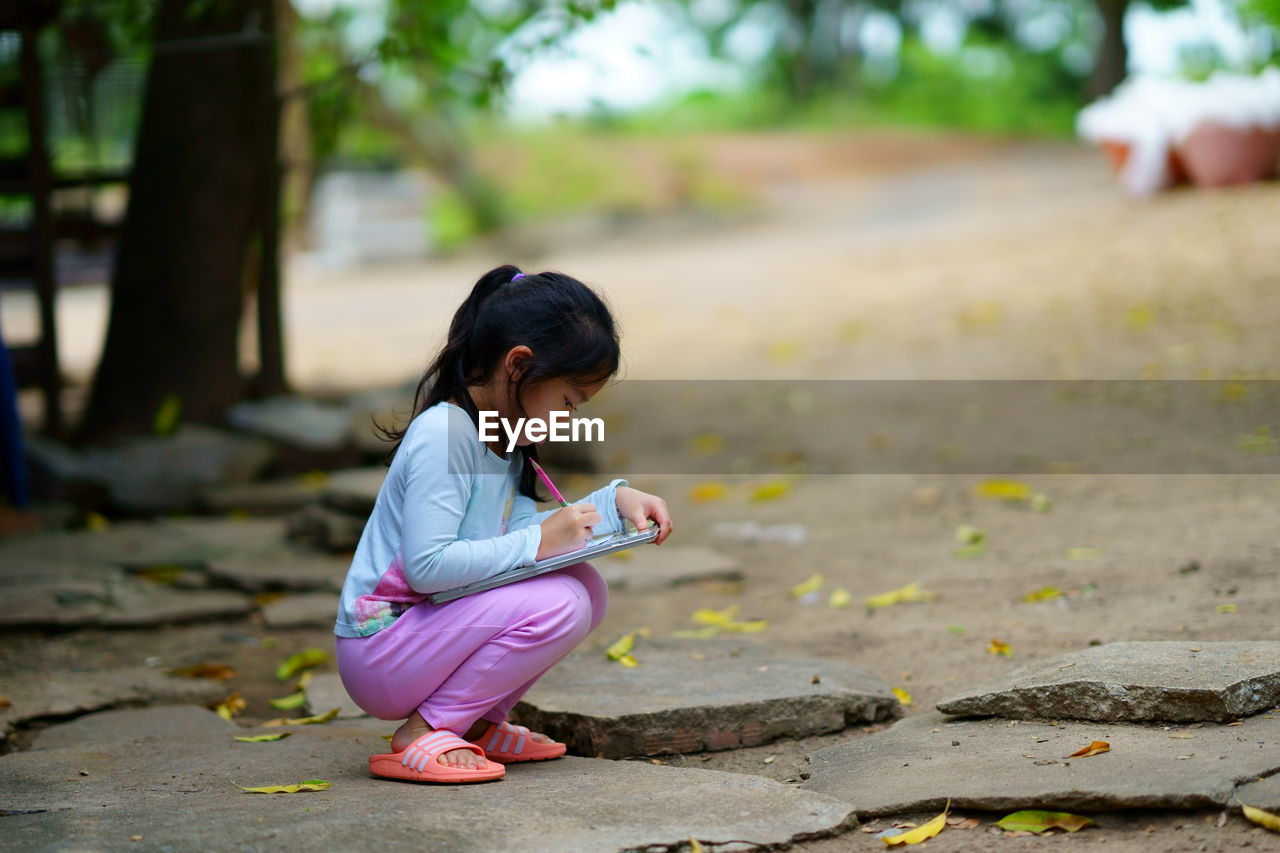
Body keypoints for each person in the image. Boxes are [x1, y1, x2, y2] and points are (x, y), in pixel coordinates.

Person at [334, 264, 674, 783]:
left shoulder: (502, 439)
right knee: (559, 602)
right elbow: (427, 568)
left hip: (426, 634)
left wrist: (613, 504)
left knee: (586, 587)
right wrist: (539, 539)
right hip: (383, 646)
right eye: (568, 401)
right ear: (519, 366)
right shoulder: (445, 435)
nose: (569, 419)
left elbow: (515, 547)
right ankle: (421, 732)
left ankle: (473, 724)